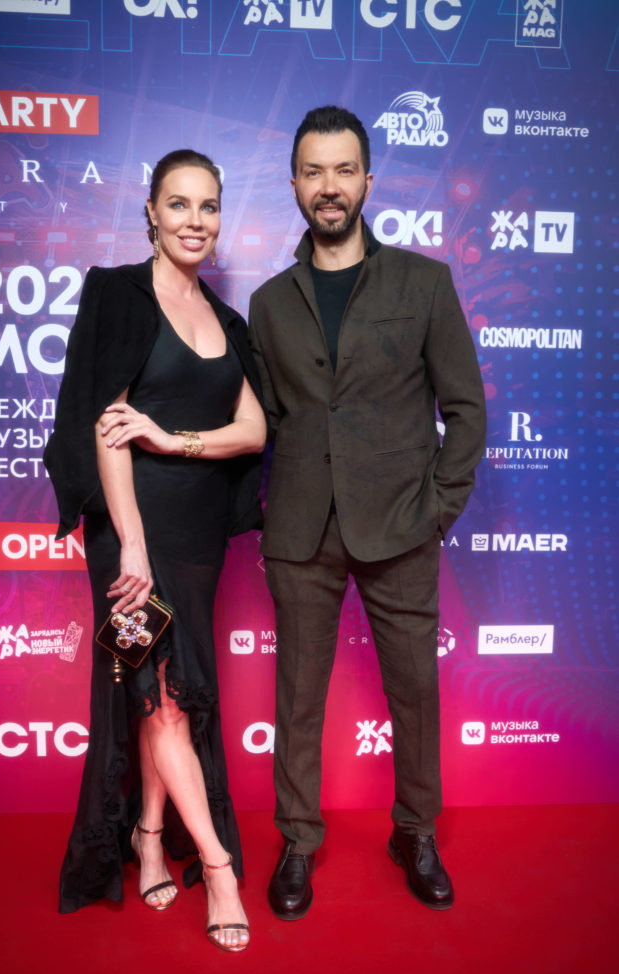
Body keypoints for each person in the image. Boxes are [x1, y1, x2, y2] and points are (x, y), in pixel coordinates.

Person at [248, 106, 486, 920]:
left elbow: (465, 409)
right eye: (313, 171)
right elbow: (266, 421)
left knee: (414, 689)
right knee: (297, 697)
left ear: (367, 181)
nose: (329, 186)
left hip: (400, 527)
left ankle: (413, 830)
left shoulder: (424, 282)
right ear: (293, 184)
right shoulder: (268, 303)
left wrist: (436, 511)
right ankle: (297, 840)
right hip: (301, 531)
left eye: (343, 170)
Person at [44, 149, 266, 952]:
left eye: (208, 206)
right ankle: (218, 866)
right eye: (178, 204)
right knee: (163, 697)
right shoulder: (117, 294)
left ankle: (146, 837)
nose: (194, 221)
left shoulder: (226, 321)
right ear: (150, 210)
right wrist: (131, 547)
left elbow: (253, 430)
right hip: (128, 536)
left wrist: (174, 440)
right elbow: (106, 423)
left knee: (159, 698)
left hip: (197, 537)